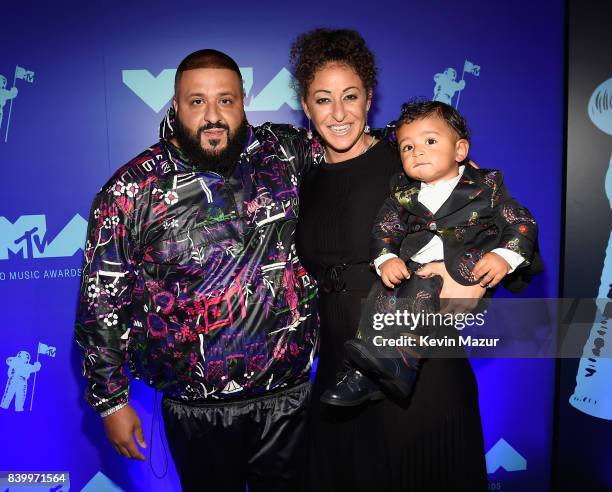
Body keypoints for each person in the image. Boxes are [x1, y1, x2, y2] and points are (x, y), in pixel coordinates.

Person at [75, 49, 321, 492]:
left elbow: (359, 147)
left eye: (226, 100)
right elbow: (102, 303)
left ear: (244, 102)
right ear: (175, 105)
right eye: (197, 101)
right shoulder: (131, 191)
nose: (213, 116)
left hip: (290, 396)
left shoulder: (283, 153)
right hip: (197, 409)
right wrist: (111, 402)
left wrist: (448, 172)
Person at [293, 29, 489, 491]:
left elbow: (499, 221)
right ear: (306, 106)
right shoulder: (305, 176)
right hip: (341, 367)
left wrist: (472, 281)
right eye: (323, 100)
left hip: (419, 370)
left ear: (369, 99)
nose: (338, 113)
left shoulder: (410, 156)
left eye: (350, 96)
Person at [322, 99, 541, 406]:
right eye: (407, 147)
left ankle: (401, 362)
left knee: (421, 290)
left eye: (430, 141)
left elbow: (520, 221)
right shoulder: (401, 194)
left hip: (462, 271)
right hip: (412, 270)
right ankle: (364, 375)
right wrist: (386, 259)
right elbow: (384, 228)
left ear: (460, 151)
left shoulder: (486, 187)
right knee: (380, 297)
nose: (417, 151)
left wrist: (504, 256)